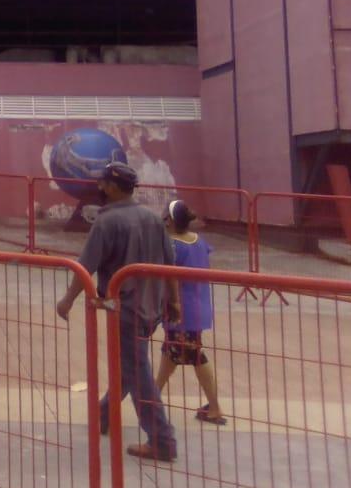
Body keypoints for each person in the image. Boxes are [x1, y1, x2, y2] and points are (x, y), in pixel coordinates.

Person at [57, 161, 180, 462]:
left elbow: (86, 265)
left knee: (137, 374)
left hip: (124, 309)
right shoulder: (152, 219)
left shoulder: (106, 222)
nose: (99, 188)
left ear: (112, 187)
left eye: (102, 183)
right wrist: (174, 302)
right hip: (152, 306)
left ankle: (162, 439)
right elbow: (169, 263)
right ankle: (103, 413)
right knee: (130, 365)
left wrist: (68, 299)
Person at [156, 199, 226, 426]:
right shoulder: (199, 241)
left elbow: (170, 277)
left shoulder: (172, 246)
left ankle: (214, 407)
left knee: (193, 354)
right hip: (200, 306)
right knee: (172, 351)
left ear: (170, 220)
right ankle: (152, 395)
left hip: (180, 310)